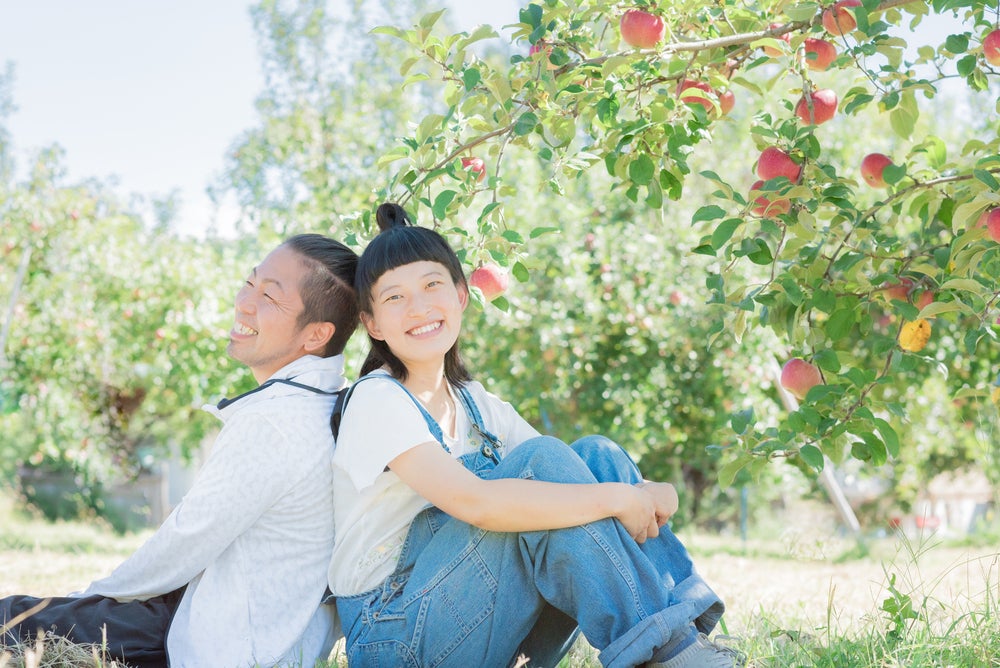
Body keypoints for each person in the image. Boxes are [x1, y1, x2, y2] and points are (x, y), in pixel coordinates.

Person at [326, 203, 742, 668]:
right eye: (395, 298)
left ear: (462, 294)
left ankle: (682, 636)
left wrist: (647, 491)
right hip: (396, 637)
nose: (419, 307)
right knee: (543, 464)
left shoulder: (475, 403)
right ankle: (669, 654)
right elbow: (477, 504)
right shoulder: (376, 399)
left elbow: (573, 471)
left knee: (597, 455)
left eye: (431, 285)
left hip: (481, 621)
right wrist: (618, 498)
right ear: (373, 323)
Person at [1, 234, 360, 668]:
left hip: (221, 643)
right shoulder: (331, 401)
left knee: (12, 619)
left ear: (316, 334)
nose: (244, 302)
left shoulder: (275, 422)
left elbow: (184, 543)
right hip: (282, 636)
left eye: (269, 296)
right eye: (250, 282)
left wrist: (91, 595)